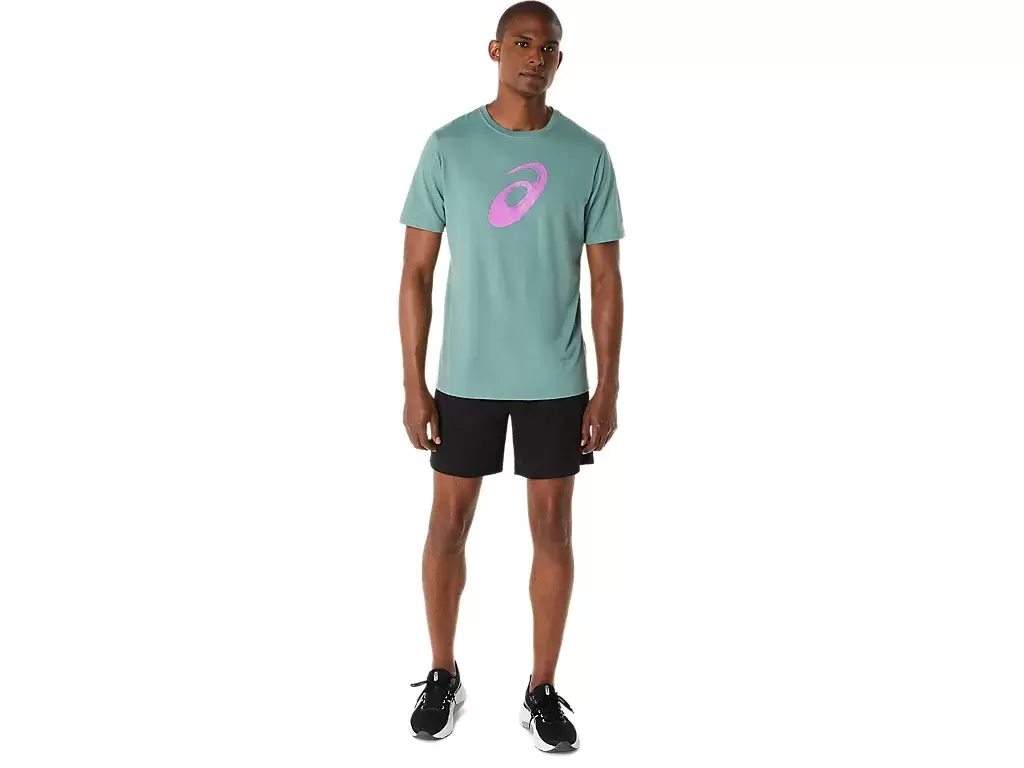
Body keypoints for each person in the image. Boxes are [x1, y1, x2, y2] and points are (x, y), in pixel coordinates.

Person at [398, 1, 624, 753]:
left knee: (553, 530)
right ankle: (442, 674)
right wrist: (413, 384)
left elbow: (606, 280)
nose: (535, 56)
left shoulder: (587, 154)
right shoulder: (448, 147)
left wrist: (607, 387)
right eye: (522, 42)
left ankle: (541, 688)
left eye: (548, 46)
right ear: (495, 50)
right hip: (465, 375)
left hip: (555, 378)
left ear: (560, 58)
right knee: (448, 524)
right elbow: (416, 274)